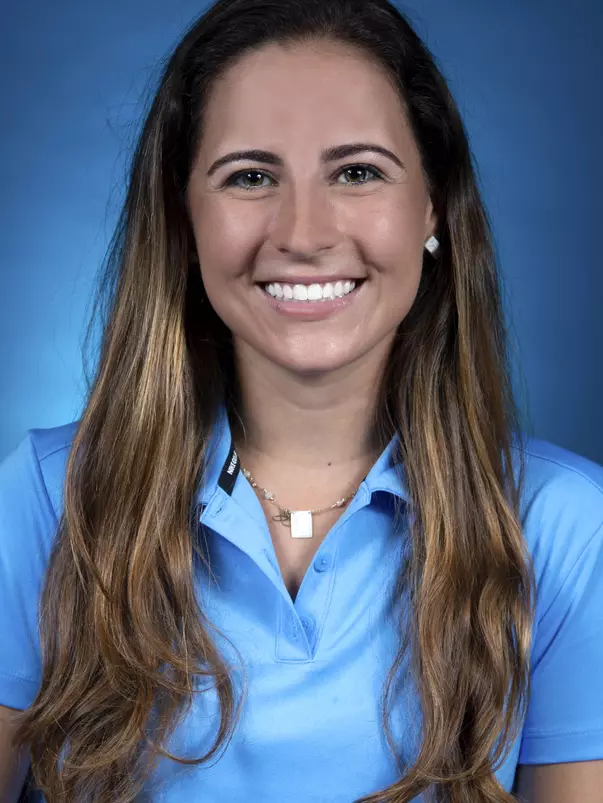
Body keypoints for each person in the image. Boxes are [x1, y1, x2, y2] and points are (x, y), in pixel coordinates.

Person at [1, 0, 602, 800]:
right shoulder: (45, 499)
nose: (304, 232)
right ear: (184, 217)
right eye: (250, 176)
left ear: (431, 206)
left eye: (357, 172)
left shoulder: (562, 525)